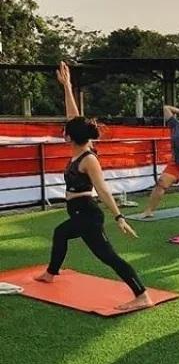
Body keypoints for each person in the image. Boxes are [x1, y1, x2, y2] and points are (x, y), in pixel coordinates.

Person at [35, 62, 151, 311]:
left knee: (107, 256)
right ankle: (50, 273)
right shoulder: (80, 147)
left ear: (69, 137)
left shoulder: (88, 159)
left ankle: (142, 295)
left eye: (65, 131)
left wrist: (119, 216)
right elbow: (73, 116)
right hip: (79, 212)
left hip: (87, 214)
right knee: (61, 233)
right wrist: (66, 85)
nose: (63, 132)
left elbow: (103, 189)